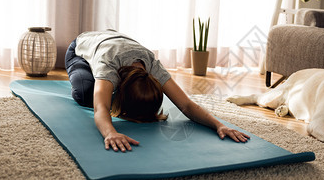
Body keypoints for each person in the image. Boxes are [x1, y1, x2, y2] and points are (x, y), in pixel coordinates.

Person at [65, 30, 249, 152]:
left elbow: (186, 104)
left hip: (114, 41)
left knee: (101, 90)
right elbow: (101, 108)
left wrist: (219, 125)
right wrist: (110, 132)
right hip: (81, 48)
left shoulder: (152, 66)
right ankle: (91, 75)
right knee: (85, 93)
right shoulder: (108, 65)